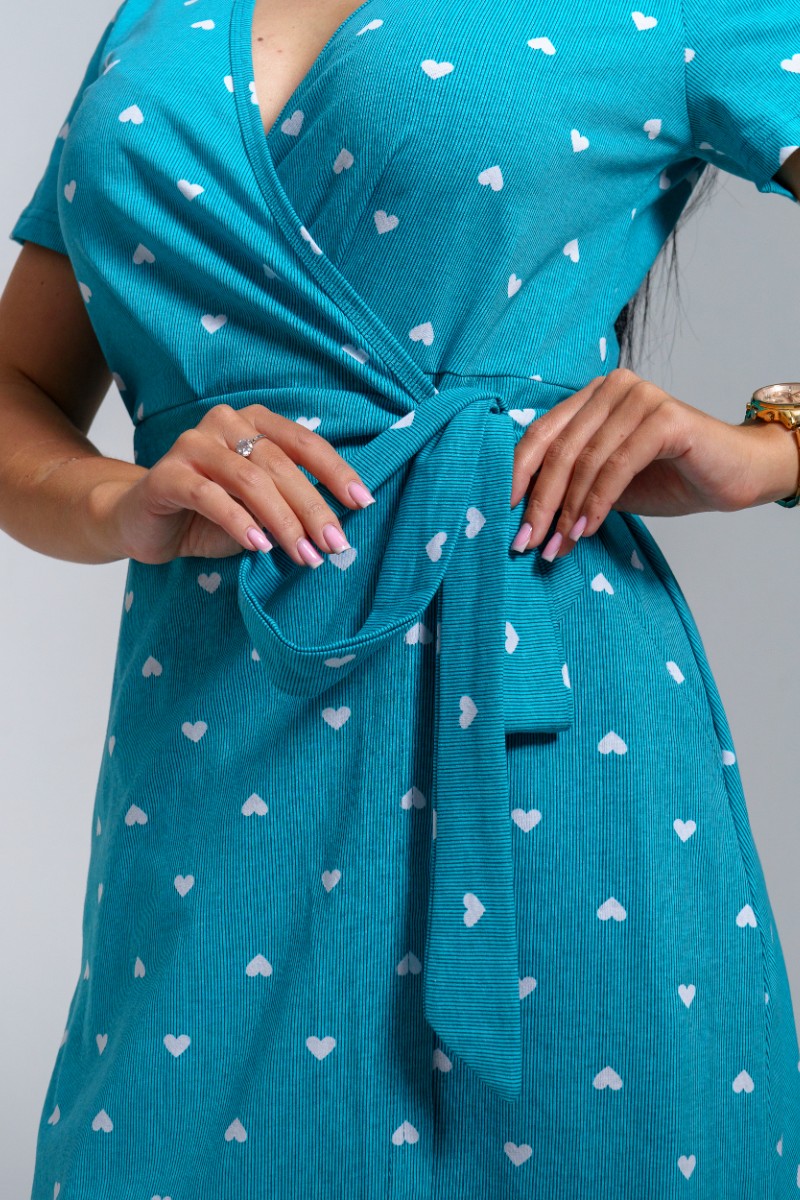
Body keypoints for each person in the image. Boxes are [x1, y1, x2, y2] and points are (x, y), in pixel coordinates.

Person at [2, 0, 800, 1195]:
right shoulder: (153, 21)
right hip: (215, 735)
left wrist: (772, 448)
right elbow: (16, 381)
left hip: (547, 736)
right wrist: (120, 500)